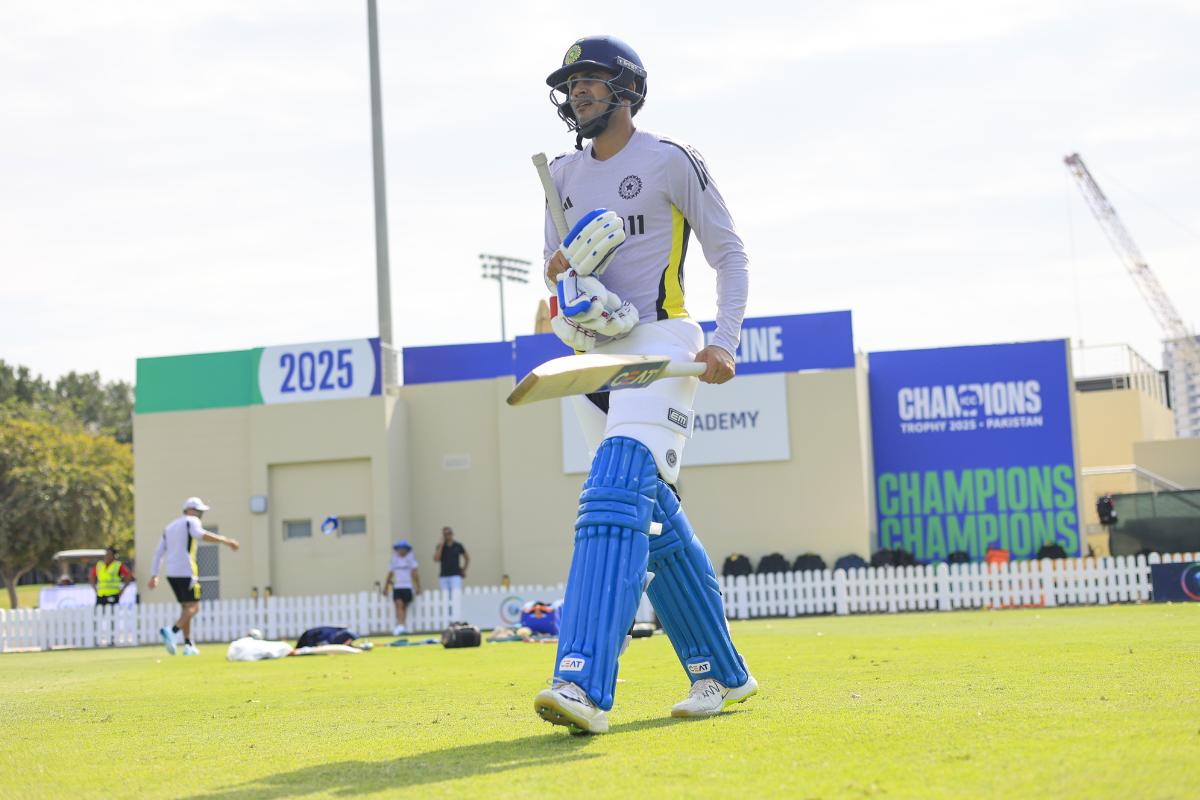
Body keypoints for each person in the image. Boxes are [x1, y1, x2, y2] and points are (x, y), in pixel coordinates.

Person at [532, 36, 757, 734]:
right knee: (652, 524)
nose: (579, 93)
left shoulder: (669, 160)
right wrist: (564, 283)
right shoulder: (563, 175)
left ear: (628, 89)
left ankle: (583, 685)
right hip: (595, 354)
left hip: (661, 344)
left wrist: (724, 342)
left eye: (592, 80)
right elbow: (554, 275)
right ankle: (723, 671)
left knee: (608, 499)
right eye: (572, 84)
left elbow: (730, 255)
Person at [148, 497, 239, 656]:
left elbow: (158, 553)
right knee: (194, 607)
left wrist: (154, 574)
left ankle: (189, 644)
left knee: (186, 608)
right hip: (186, 571)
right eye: (198, 511)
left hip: (171, 573)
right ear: (190, 510)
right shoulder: (191, 521)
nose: (200, 514)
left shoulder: (169, 527)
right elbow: (199, 534)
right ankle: (173, 630)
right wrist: (226, 540)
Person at [383, 539, 422, 635]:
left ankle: (402, 626)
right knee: (399, 605)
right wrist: (386, 587)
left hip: (407, 587)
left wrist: (418, 586)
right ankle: (400, 625)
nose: (401, 551)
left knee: (404, 607)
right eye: (400, 549)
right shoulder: (394, 560)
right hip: (398, 587)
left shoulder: (411, 559)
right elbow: (390, 574)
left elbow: (415, 574)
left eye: (403, 549)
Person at [433, 526, 469, 605]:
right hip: (444, 576)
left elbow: (467, 558)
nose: (447, 536)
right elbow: (436, 559)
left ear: (452, 534)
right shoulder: (440, 546)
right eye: (445, 534)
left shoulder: (458, 545)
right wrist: (441, 545)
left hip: (455, 575)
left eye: (448, 534)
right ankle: (448, 616)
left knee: (456, 596)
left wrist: (464, 569)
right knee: (446, 598)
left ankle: (457, 616)